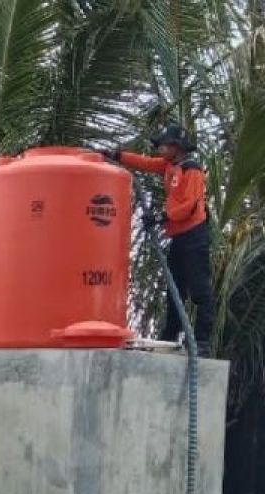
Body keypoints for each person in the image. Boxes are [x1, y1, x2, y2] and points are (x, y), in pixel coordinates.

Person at [103, 123, 214, 356]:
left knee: (200, 291)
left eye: (165, 145)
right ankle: (169, 336)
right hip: (179, 236)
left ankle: (203, 341)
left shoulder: (191, 170)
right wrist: (117, 155)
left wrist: (163, 217)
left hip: (194, 235)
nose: (160, 149)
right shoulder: (168, 166)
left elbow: (190, 204)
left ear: (177, 147)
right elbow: (144, 163)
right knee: (175, 289)